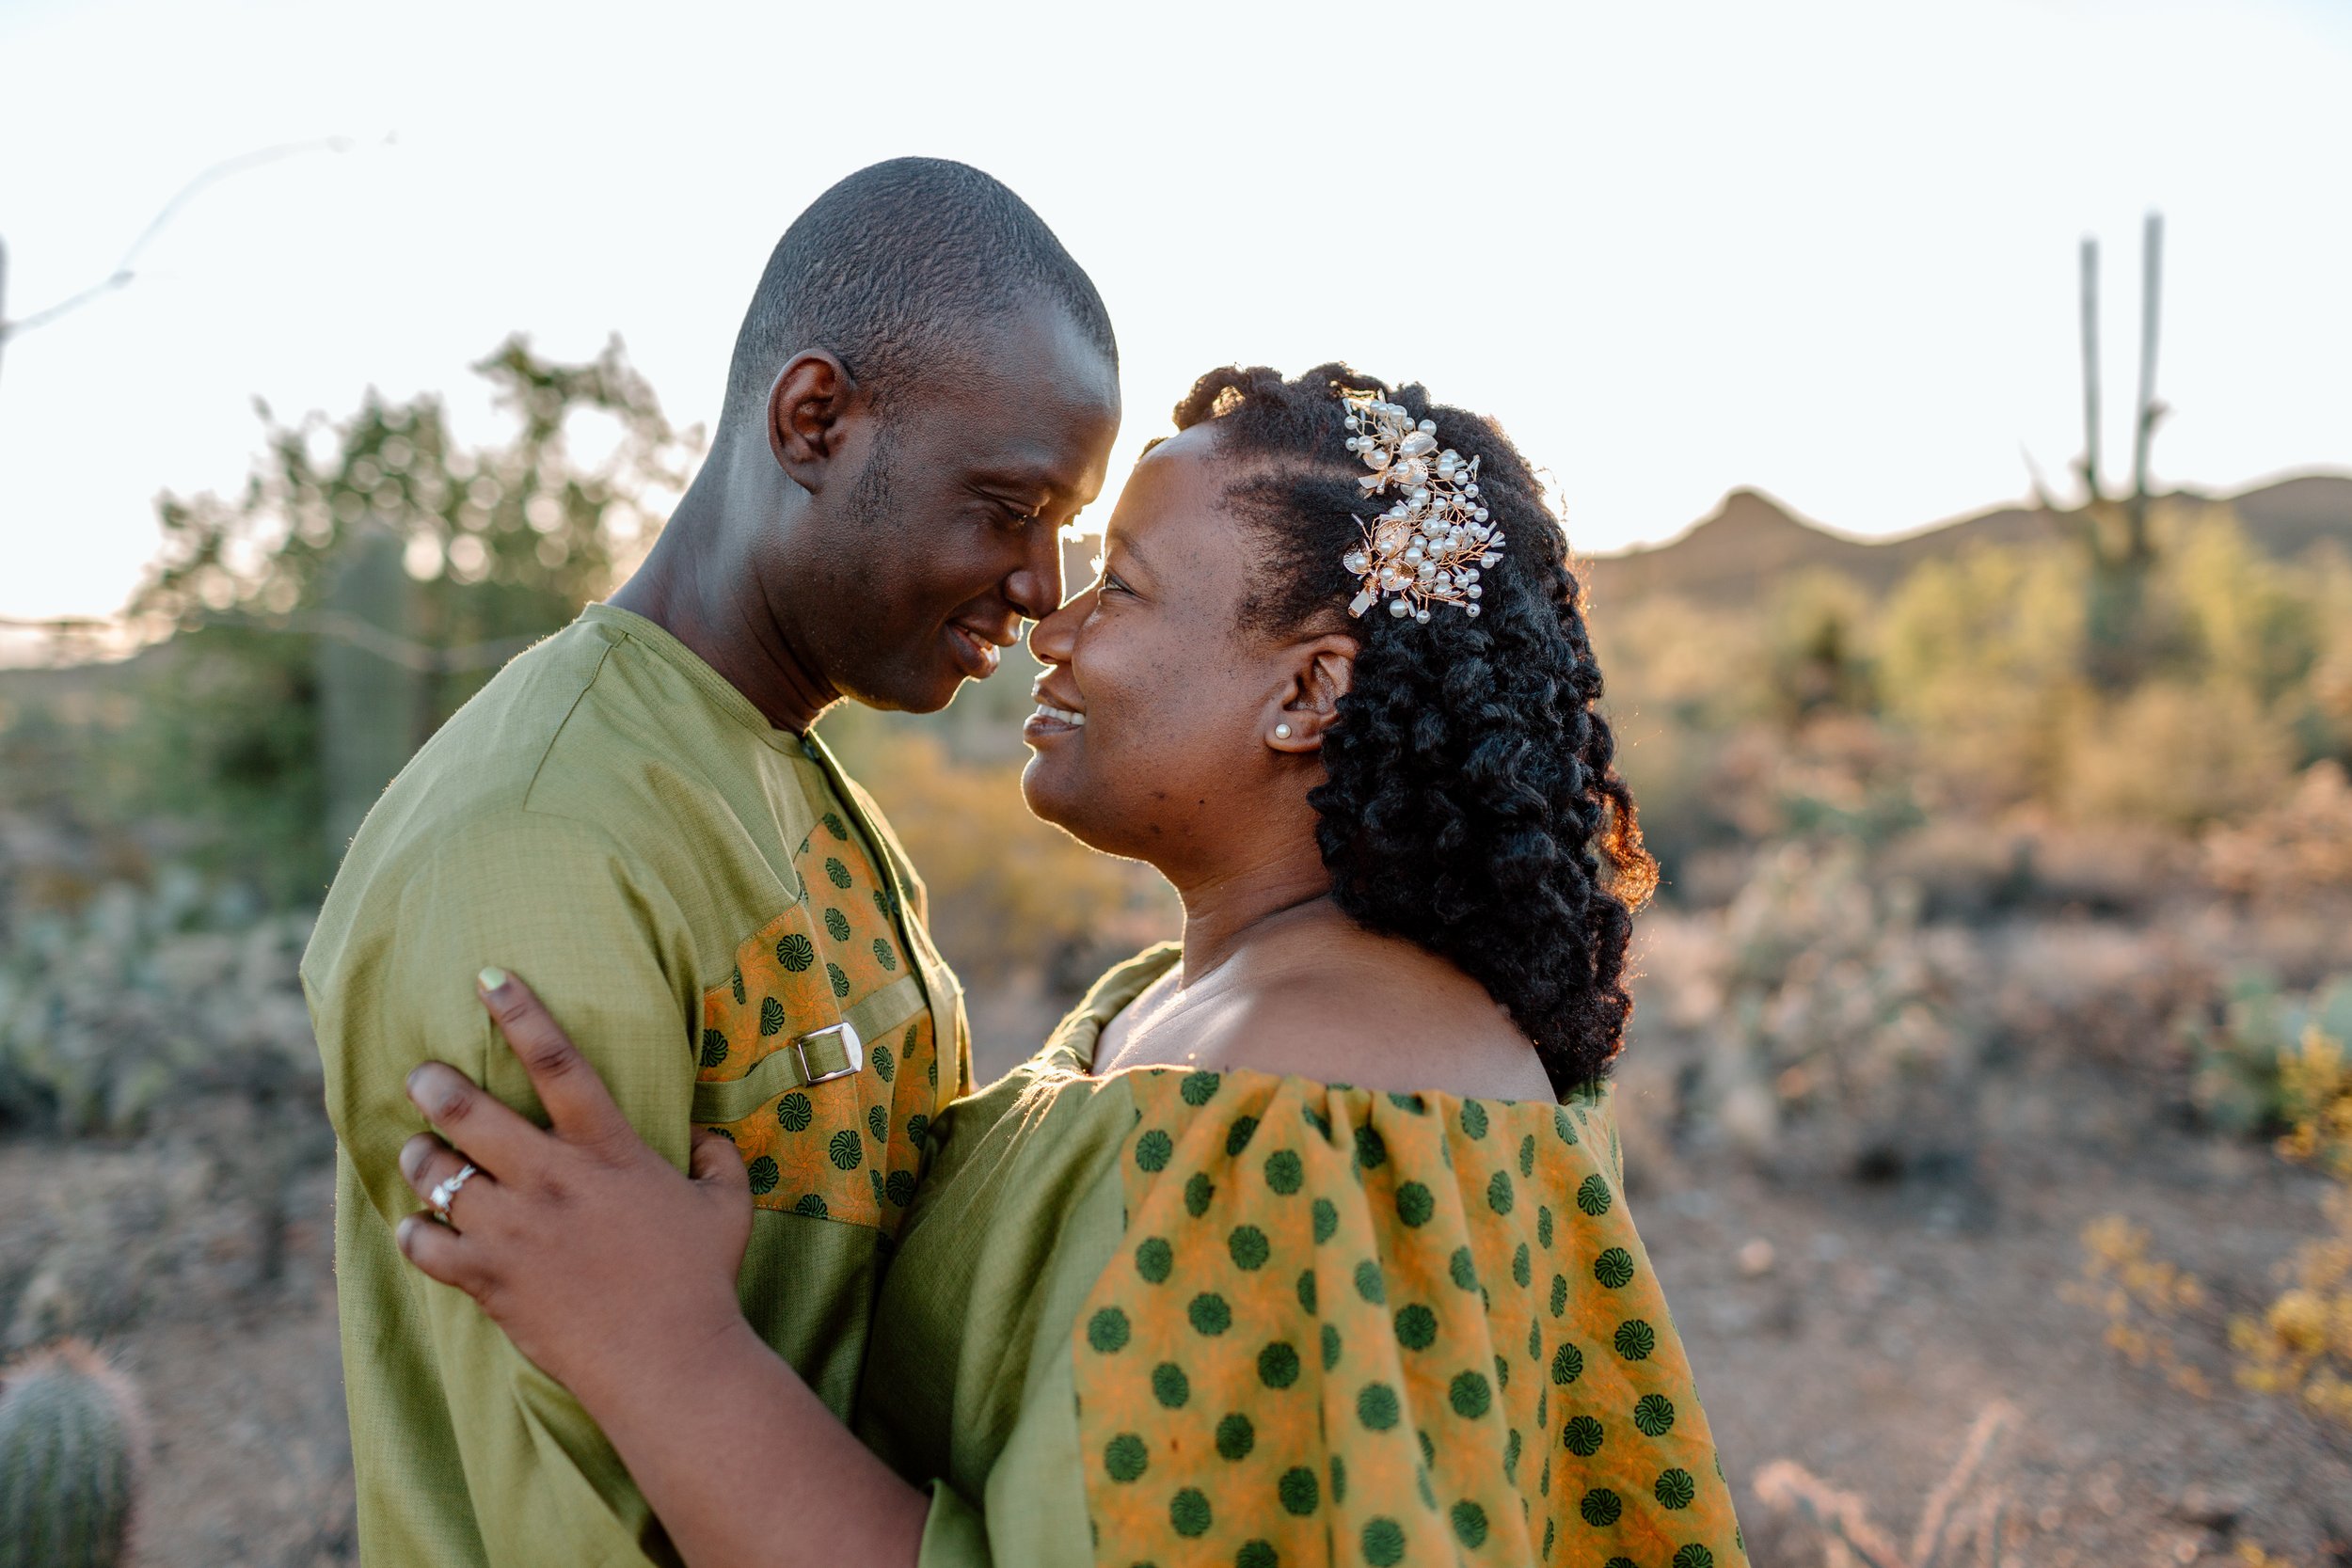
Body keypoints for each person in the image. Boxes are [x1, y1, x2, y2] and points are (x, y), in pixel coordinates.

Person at [391, 366, 1749, 1568]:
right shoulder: (1203, 1016)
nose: (1054, 618)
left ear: (1307, 693)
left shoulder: (1305, 1121)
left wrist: (660, 1349)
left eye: (1127, 587)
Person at [302, 157, 1120, 1566]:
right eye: (1006, 507)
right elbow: (554, 1518)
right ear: (816, 422)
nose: (1044, 585)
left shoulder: (773, 760)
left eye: (1064, 524)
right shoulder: (542, 843)